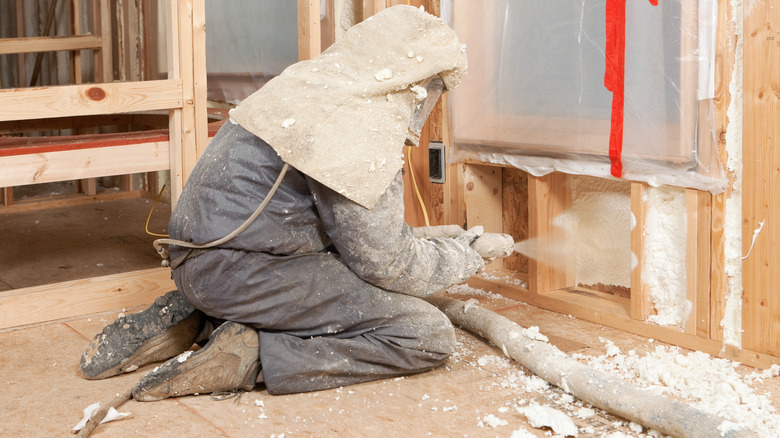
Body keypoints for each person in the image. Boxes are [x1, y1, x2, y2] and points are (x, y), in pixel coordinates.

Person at [80, 5, 512, 400]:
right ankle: (251, 357)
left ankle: (192, 314)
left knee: (348, 275)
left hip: (202, 261)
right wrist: (464, 258)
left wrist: (443, 241)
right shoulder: (361, 127)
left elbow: (357, 233)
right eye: (436, 88)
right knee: (423, 333)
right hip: (241, 274)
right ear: (417, 83)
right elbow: (385, 264)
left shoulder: (306, 87)